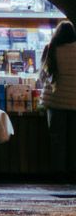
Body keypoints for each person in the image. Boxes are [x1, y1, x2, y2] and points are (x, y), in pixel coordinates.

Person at [40, 20, 76, 181]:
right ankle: (72, 171)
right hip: (74, 101)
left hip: (55, 101)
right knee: (73, 139)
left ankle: (58, 172)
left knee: (57, 139)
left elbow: (43, 76)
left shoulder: (51, 49)